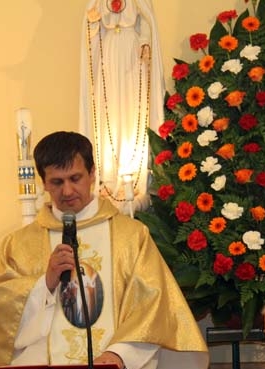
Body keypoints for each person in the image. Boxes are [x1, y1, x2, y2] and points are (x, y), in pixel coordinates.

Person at [0, 131, 208, 369]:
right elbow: (0, 307)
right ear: (43, 183)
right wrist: (45, 283)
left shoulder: (131, 236)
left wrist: (118, 354)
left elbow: (153, 306)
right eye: (57, 182)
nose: (67, 191)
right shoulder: (19, 244)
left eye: (75, 178)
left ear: (91, 173)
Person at [79, 0, 164, 214]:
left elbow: (147, 20)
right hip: (108, 54)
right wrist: (92, 22)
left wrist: (144, 41)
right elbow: (91, 31)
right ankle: (109, 179)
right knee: (109, 112)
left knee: (133, 111)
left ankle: (134, 179)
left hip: (132, 52)